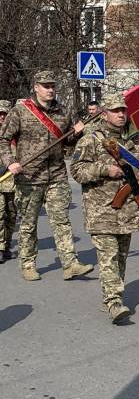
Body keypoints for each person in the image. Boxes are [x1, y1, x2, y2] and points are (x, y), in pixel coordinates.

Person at [70, 93, 139, 324]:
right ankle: (114, 302)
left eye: (123, 111)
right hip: (101, 210)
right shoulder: (91, 139)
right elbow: (77, 171)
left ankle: (111, 295)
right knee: (108, 257)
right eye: (115, 111)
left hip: (129, 211)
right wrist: (103, 170)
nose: (121, 115)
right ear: (104, 113)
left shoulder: (136, 141)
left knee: (120, 257)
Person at [0, 71, 93, 281]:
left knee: (62, 221)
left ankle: (70, 264)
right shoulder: (21, 111)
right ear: (36, 87)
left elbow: (66, 142)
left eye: (52, 86)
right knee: (28, 224)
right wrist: (10, 162)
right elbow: (3, 140)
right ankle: (28, 263)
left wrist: (77, 133)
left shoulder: (62, 112)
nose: (50, 90)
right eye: (45, 86)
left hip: (57, 175)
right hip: (29, 176)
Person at [0, 100, 17, 263]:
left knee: (12, 216)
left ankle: (6, 246)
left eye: (5, 114)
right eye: (0, 114)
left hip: (13, 183)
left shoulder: (15, 134)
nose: (2, 117)